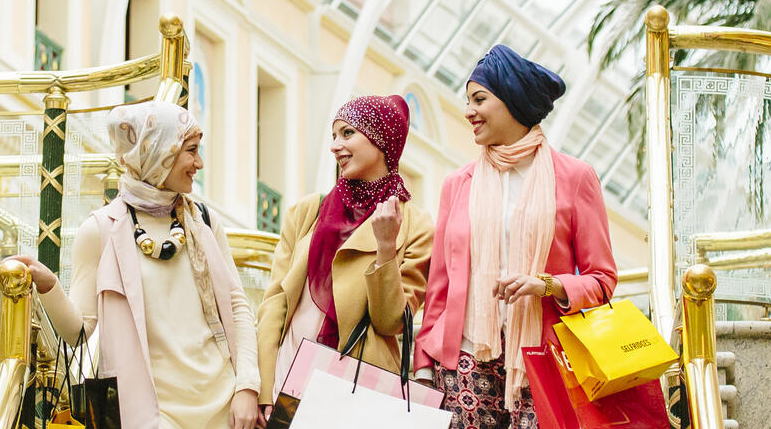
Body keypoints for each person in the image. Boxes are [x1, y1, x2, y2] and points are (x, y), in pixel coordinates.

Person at [10, 101, 261, 429]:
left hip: (224, 407)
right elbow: (78, 332)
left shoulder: (204, 221)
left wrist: (247, 387)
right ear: (159, 152)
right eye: (191, 150)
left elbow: (238, 307)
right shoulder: (100, 230)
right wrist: (48, 286)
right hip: (150, 415)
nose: (199, 163)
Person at [413, 45, 618, 429]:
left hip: (544, 358)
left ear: (512, 100)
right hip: (465, 360)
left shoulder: (575, 178)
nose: (468, 111)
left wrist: (548, 285)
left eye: (479, 99)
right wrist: (423, 366)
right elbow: (439, 286)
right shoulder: (458, 184)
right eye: (467, 101)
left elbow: (602, 280)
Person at [256, 95, 434, 414]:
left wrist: (385, 247)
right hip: (288, 375)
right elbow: (275, 304)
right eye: (334, 135)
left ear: (381, 137)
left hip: (356, 390)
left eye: (348, 133)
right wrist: (263, 390)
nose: (335, 146)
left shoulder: (415, 225)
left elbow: (391, 321)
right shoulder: (309, 211)